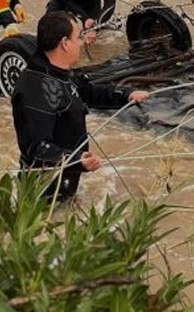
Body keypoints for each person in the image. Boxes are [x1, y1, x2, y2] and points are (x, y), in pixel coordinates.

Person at [10, 10, 150, 204]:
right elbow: (37, 147)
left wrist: (126, 95)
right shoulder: (35, 89)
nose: (82, 42)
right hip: (43, 187)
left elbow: (89, 92)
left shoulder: (57, 72)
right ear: (65, 44)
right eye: (79, 37)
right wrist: (77, 159)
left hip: (66, 176)